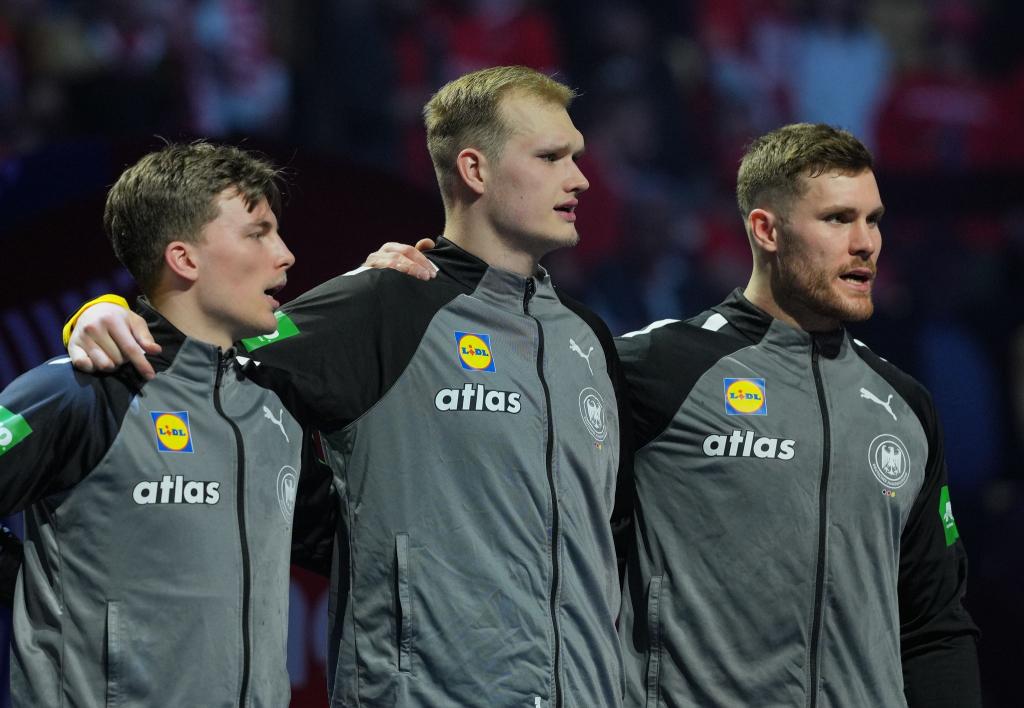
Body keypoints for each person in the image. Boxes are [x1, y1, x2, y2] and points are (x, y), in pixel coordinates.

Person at [65, 66, 632, 708]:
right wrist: (102, 313)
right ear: (474, 170)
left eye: (577, 157)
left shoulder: (586, 338)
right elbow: (195, 349)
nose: (580, 178)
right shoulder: (386, 303)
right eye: (552, 157)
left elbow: (612, 545)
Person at [616, 123, 980, 707]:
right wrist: (427, 286)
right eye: (838, 219)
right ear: (767, 230)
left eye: (875, 219)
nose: (867, 243)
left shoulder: (904, 405)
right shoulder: (657, 367)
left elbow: (934, 625)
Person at [0, 141, 305, 706]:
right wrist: (30, 586)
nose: (285, 255)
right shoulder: (82, 388)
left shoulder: (275, 399)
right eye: (258, 233)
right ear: (184, 258)